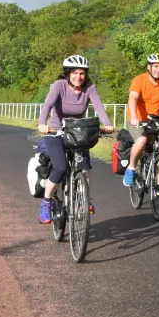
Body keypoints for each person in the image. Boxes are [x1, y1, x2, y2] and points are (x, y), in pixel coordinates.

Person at [37, 54, 114, 224]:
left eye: (82, 73)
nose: (78, 77)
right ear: (68, 73)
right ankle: (46, 202)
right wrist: (42, 123)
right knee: (60, 167)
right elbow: (48, 105)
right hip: (55, 132)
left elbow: (99, 106)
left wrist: (107, 123)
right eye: (75, 73)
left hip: (77, 133)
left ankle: (83, 198)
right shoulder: (59, 85)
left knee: (85, 165)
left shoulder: (89, 88)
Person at [122, 53, 159, 188]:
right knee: (142, 141)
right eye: (155, 66)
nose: (158, 70)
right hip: (137, 119)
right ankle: (131, 168)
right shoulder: (139, 80)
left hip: (156, 121)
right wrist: (133, 117)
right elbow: (132, 98)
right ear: (148, 67)